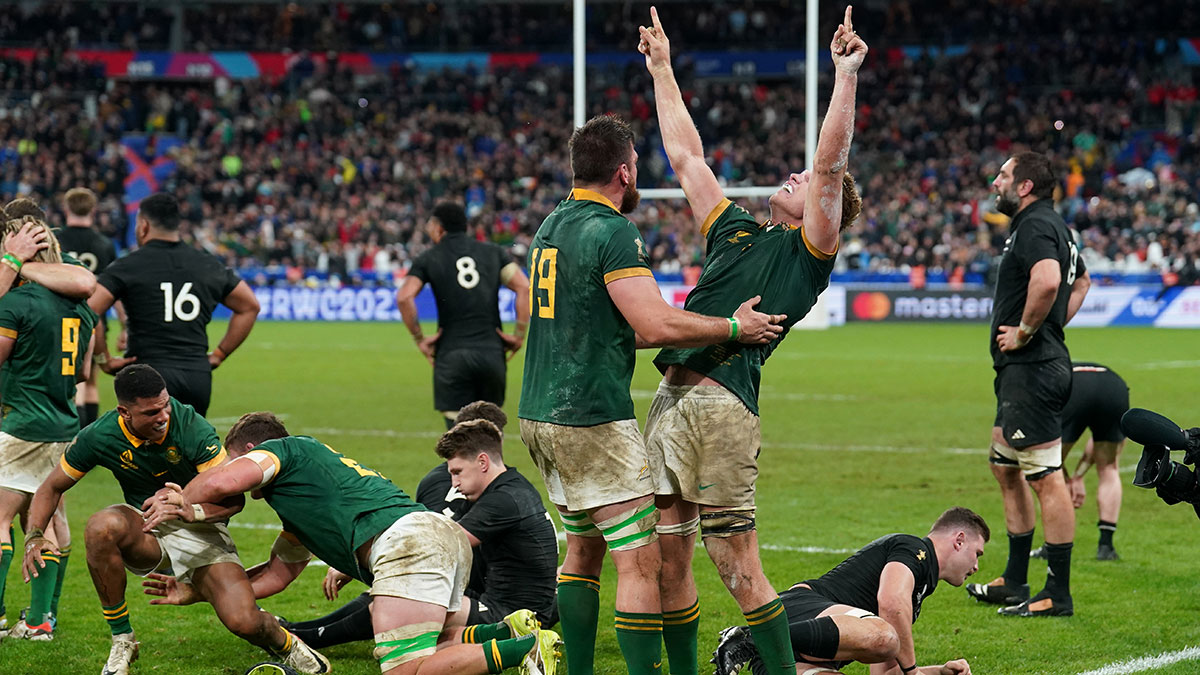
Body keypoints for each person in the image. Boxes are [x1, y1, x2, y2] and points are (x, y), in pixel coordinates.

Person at [637, 7, 864, 675]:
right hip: (669, 398)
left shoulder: (809, 251)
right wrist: (662, 69)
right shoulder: (735, 230)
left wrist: (844, 76)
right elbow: (686, 157)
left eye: (802, 181)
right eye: (791, 176)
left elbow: (828, 168)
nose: (791, 177)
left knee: (737, 567)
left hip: (723, 404)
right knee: (668, 557)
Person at [517, 111, 785, 675]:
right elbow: (657, 325)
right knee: (641, 562)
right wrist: (733, 329)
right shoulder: (611, 231)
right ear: (623, 171)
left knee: (583, 548)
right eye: (637, 167)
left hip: (539, 412)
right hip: (591, 415)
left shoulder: (552, 225)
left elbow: (618, 327)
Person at [140, 411, 563, 675]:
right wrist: (201, 592)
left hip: (406, 542)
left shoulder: (282, 450)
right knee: (435, 640)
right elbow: (275, 575)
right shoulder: (301, 501)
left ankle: (529, 647)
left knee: (405, 669)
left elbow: (223, 481)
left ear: (253, 450)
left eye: (233, 457)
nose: (228, 467)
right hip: (432, 536)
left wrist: (183, 501)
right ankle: (506, 631)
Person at [20, 365, 329, 675]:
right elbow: (51, 487)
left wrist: (188, 509)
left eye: (165, 405)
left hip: (202, 527)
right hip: (146, 527)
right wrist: (34, 534)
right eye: (152, 411)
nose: (163, 415)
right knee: (101, 526)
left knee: (243, 621)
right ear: (124, 412)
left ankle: (286, 643)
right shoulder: (100, 436)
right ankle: (123, 639)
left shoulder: (192, 427)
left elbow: (234, 501)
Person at [280, 402, 559, 650]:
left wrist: (355, 560)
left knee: (404, 602)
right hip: (492, 595)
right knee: (404, 596)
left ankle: (306, 638)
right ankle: (299, 632)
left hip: (514, 613)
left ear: (483, 461)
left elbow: (437, 544)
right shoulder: (505, 487)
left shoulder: (504, 499)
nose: (454, 483)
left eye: (457, 472)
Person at [966, 151, 1091, 618]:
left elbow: (1050, 281)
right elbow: (1082, 284)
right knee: (1005, 466)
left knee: (1045, 478)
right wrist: (1052, 326)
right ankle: (1016, 581)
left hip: (1033, 370)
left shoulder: (1036, 224)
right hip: (1026, 369)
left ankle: (1057, 594)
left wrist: (1026, 331)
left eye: (1002, 175)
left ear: (1023, 186)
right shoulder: (1052, 226)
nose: (994, 180)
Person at [712, 508, 986, 675]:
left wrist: (940, 671)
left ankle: (753, 648)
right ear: (959, 540)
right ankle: (748, 638)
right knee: (886, 636)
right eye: (977, 554)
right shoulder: (915, 550)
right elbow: (890, 604)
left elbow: (884, 673)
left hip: (784, 658)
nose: (975, 566)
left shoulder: (916, 594)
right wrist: (913, 671)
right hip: (799, 608)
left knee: (886, 638)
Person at [0, 217, 97, 640]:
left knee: (0, 517)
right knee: (46, 520)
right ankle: (41, 619)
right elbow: (83, 373)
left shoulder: (15, 304)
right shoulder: (81, 309)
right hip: (62, 421)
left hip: (21, 420)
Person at [87, 192, 261, 417]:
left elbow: (89, 310)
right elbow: (250, 306)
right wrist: (219, 353)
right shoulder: (207, 264)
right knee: (189, 448)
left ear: (143, 226)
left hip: (145, 374)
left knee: (145, 449)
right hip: (196, 376)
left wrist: (104, 359)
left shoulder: (128, 266)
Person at [396, 202, 531, 428]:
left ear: (439, 228)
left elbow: (404, 297)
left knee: (458, 442)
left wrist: (420, 339)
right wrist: (518, 335)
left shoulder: (429, 257)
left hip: (452, 355)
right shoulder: (493, 252)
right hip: (491, 355)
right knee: (490, 437)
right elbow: (524, 287)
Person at [1030, 362, 1129, 561]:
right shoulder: (1108, 379)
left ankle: (1053, 547)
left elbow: (1052, 456)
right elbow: (1098, 441)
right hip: (1114, 386)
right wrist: (1078, 476)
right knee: (1110, 467)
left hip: (1073, 390)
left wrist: (1067, 479)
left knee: (1049, 470)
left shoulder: (1049, 379)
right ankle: (1106, 547)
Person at [54, 187, 121, 428]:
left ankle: (72, 439)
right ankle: (87, 440)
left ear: (66, 208)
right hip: (93, 321)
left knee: (70, 382)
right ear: (93, 210)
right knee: (89, 381)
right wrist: (125, 325)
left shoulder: (55, 239)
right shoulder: (103, 244)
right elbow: (116, 288)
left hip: (55, 317)